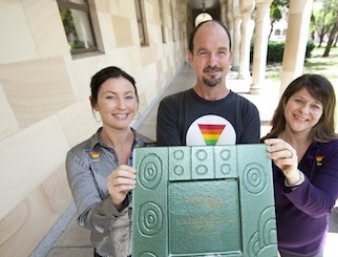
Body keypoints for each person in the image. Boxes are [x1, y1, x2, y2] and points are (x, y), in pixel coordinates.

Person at [66, 66, 153, 257]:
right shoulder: (79, 157)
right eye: (110, 97)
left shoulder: (154, 149)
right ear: (94, 103)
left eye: (129, 96)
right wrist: (114, 201)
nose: (122, 105)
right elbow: (88, 220)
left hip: (153, 250)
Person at [263, 74, 338, 257]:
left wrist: (293, 175)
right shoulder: (262, 147)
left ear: (323, 114)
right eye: (299, 101)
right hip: (262, 242)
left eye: (315, 106)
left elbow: (321, 206)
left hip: (305, 250)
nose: (304, 110)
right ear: (285, 102)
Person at [156, 20, 260, 146]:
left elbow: (247, 164)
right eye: (203, 53)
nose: (212, 62)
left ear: (230, 57)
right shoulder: (171, 108)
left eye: (221, 52)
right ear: (190, 57)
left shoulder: (248, 112)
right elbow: (172, 164)